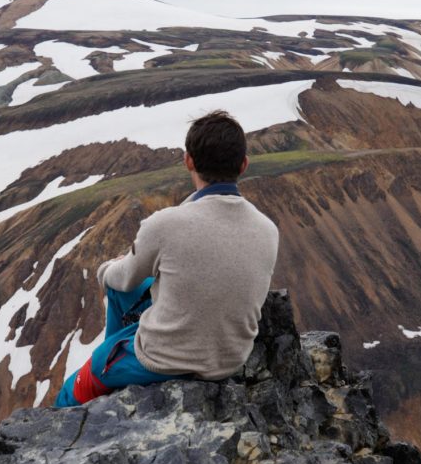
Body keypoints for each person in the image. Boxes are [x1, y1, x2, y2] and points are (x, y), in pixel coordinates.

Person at [53, 110, 280, 407]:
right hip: (229, 359)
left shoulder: (165, 224)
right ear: (244, 165)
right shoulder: (268, 229)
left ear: (188, 161)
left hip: (167, 360)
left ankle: (103, 380)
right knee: (134, 292)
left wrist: (106, 269)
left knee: (77, 384)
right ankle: (116, 352)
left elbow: (122, 278)